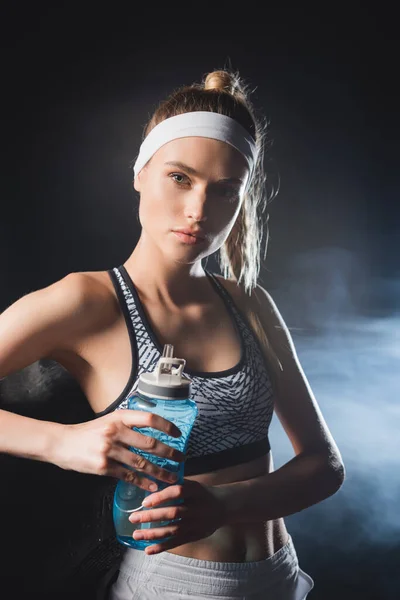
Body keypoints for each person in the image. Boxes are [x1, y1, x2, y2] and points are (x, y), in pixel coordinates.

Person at [0, 68, 345, 600]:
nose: (198, 211)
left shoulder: (249, 302)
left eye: (224, 190)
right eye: (180, 178)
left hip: (279, 575)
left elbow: (324, 466)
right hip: (177, 586)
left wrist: (225, 505)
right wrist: (60, 443)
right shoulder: (86, 301)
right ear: (140, 171)